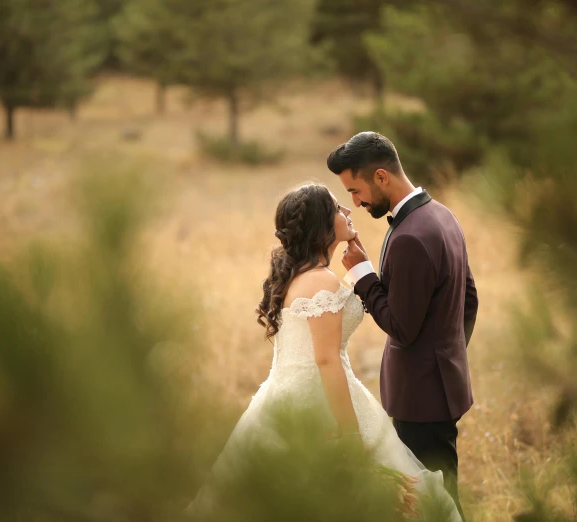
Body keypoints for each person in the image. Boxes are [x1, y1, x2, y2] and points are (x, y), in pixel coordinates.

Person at [187, 183, 461, 522]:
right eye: (336, 208)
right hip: (319, 400)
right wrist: (349, 435)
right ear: (321, 224)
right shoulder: (322, 281)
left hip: (285, 396)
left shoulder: (299, 276)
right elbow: (327, 359)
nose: (347, 211)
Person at [328, 132, 478, 518]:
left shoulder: (411, 235)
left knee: (435, 502)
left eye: (356, 191)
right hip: (440, 387)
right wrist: (448, 354)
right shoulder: (442, 215)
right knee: (439, 495)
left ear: (381, 177)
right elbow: (469, 298)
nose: (355, 203)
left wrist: (363, 274)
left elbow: (401, 326)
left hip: (421, 398)